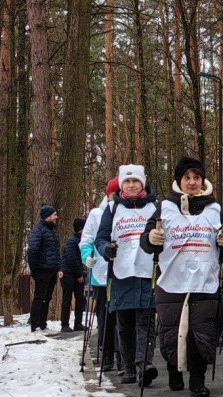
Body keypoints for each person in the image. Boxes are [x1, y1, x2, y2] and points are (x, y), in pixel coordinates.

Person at [141, 157, 223, 397]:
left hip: (205, 278)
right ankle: (174, 371)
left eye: (196, 178)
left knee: (201, 330)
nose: (192, 182)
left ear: (202, 181)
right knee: (172, 329)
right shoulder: (164, 208)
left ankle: (197, 378)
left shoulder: (214, 208)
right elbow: (147, 240)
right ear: (179, 181)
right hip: (172, 278)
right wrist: (151, 238)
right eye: (187, 178)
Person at [95, 165, 158, 385]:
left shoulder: (154, 207)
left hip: (147, 271)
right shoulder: (112, 209)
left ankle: (144, 364)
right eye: (127, 182)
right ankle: (128, 365)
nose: (131, 185)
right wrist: (105, 250)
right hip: (121, 272)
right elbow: (101, 237)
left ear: (143, 183)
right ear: (121, 184)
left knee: (146, 319)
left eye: (136, 181)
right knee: (125, 321)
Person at [81, 178, 121, 371]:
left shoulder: (129, 211)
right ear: (108, 194)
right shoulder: (96, 214)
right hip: (101, 272)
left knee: (123, 315)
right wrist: (87, 256)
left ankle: (123, 356)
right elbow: (87, 239)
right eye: (114, 193)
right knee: (105, 316)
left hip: (123, 272)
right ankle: (106, 354)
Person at [26, 206, 62, 332]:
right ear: (48, 216)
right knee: (39, 297)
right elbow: (32, 251)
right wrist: (34, 269)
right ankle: (35, 326)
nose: (56, 217)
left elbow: (56, 252)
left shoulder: (53, 231)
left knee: (48, 298)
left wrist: (59, 268)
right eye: (54, 215)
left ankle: (43, 324)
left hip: (52, 270)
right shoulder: (38, 231)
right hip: (42, 270)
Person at [60, 218, 87, 332]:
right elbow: (72, 259)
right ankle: (64, 324)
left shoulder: (80, 240)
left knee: (80, 299)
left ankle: (78, 323)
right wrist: (79, 274)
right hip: (69, 274)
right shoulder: (72, 241)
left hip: (77, 273)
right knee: (67, 299)